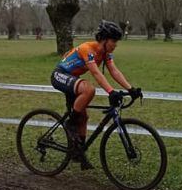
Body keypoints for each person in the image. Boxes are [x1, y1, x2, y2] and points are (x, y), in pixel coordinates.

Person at [51, 20, 142, 169]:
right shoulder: (88, 49)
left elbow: (114, 71)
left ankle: (78, 152)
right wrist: (111, 91)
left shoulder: (105, 53)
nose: (116, 45)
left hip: (73, 79)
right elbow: (96, 73)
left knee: (84, 117)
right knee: (89, 90)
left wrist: (130, 88)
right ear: (104, 40)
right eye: (114, 41)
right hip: (59, 75)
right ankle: (69, 123)